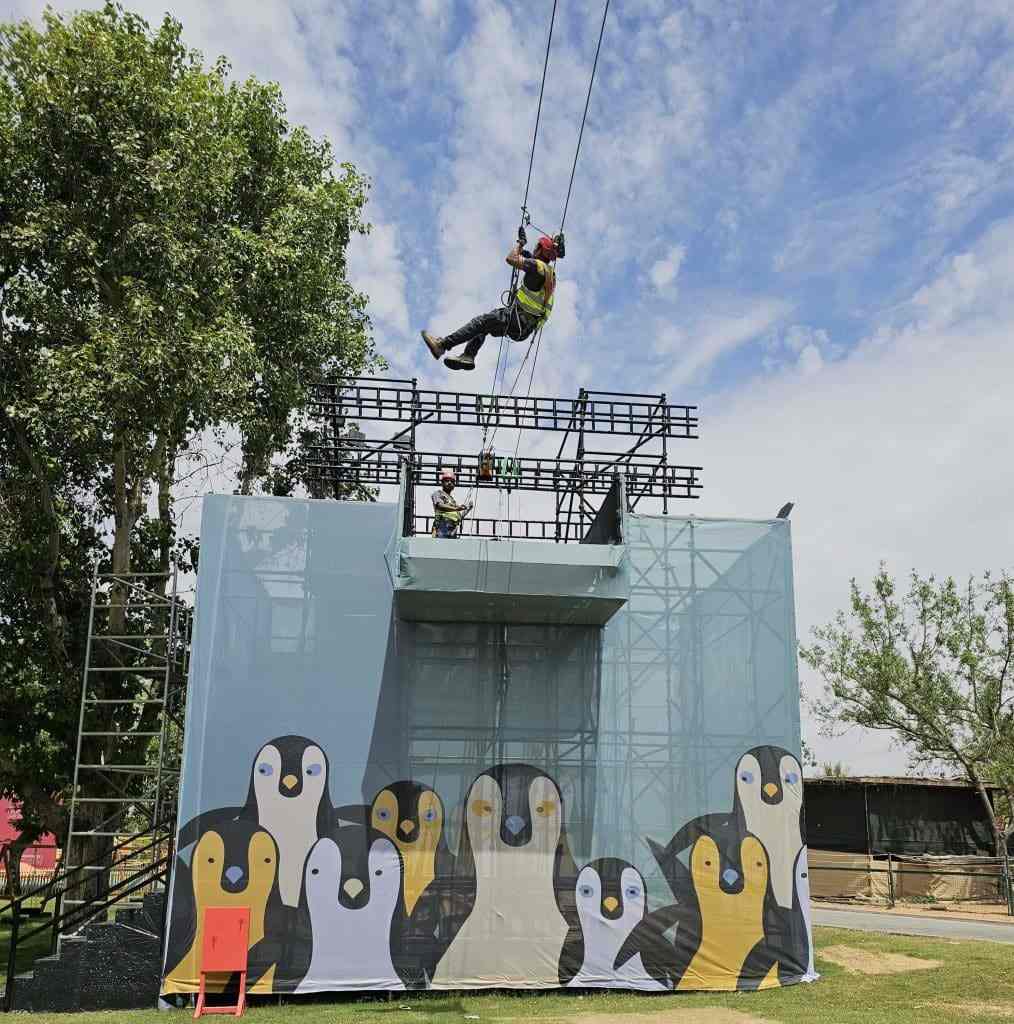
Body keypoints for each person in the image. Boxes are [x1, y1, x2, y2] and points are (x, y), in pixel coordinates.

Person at [421, 232, 559, 371]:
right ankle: (468, 356)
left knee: (480, 322)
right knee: (486, 325)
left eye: (537, 247)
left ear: (541, 250)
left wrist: (521, 243)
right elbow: (530, 258)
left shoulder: (536, 267)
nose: (534, 249)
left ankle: (442, 345)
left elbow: (511, 258)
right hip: (524, 328)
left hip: (516, 320)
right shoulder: (549, 274)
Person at [431, 468, 472, 538]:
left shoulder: (453, 501)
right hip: (442, 525)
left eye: (452, 481)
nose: (449, 483)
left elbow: (458, 518)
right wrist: (456, 508)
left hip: (452, 528)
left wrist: (468, 509)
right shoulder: (438, 493)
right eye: (447, 481)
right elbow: (439, 505)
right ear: (442, 483)